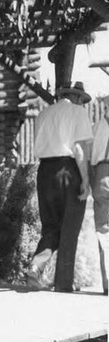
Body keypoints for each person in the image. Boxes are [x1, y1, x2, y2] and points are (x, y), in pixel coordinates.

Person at [26, 81, 93, 292]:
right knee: (70, 228)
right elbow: (80, 149)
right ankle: (63, 284)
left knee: (51, 225)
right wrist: (85, 179)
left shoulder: (44, 113)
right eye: (82, 100)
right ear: (77, 97)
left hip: (45, 170)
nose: (82, 103)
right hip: (68, 169)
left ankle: (36, 266)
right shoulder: (78, 113)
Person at [89, 94, 109, 296]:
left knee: (104, 230)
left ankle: (108, 282)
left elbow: (90, 158)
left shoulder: (97, 127)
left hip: (102, 175)